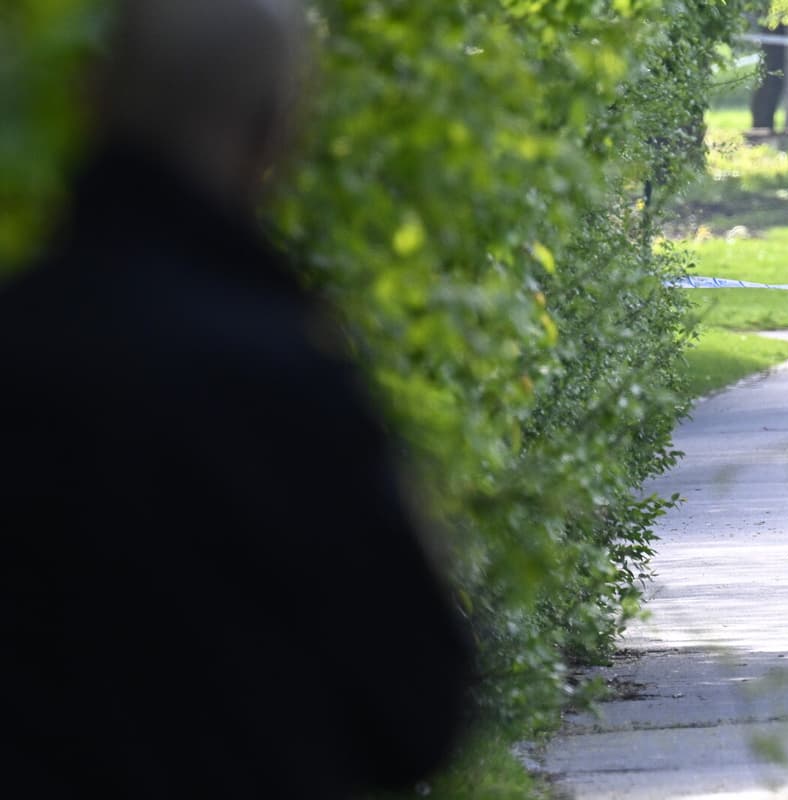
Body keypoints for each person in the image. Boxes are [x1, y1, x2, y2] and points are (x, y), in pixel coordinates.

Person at [0, 1, 472, 797]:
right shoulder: (282, 377)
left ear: (90, 97)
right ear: (276, 132)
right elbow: (420, 704)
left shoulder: (19, 345)